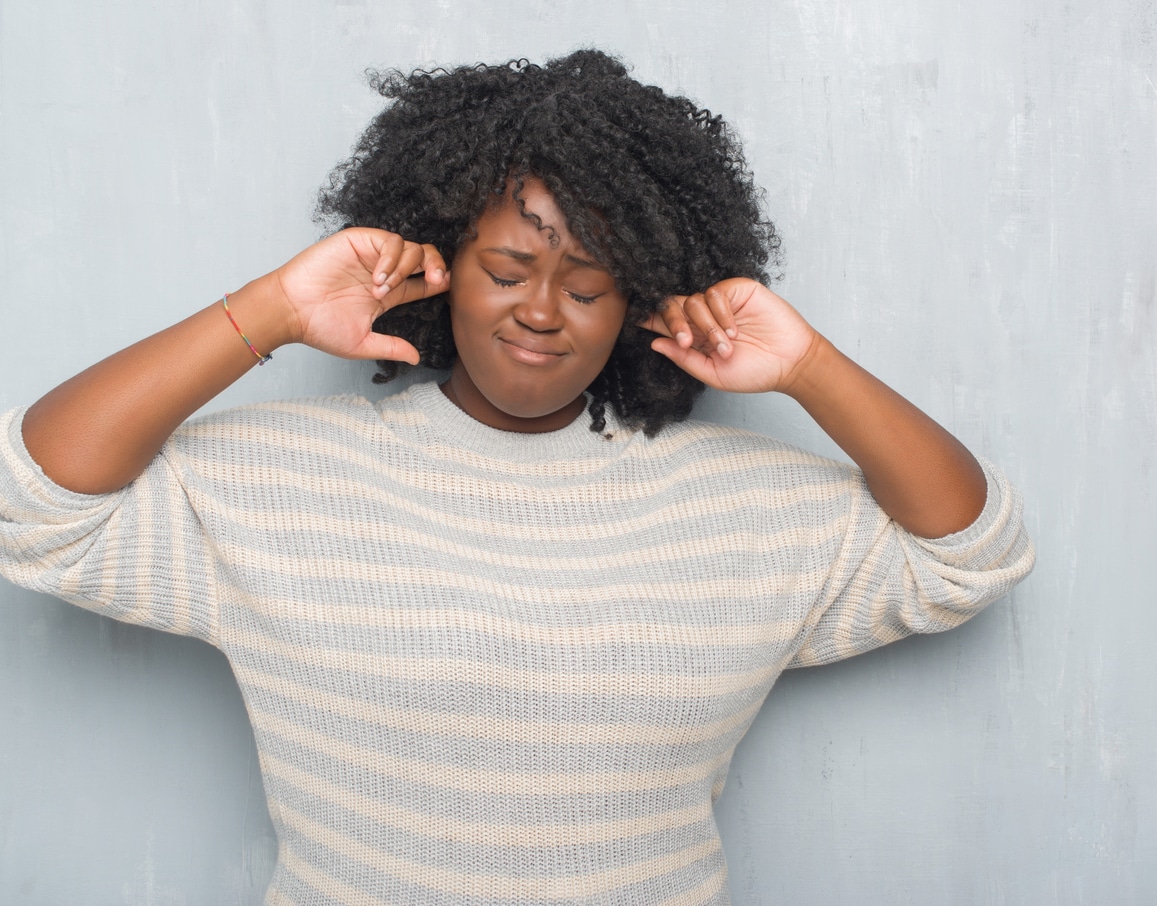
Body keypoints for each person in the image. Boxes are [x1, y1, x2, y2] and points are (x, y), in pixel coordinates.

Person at [0, 50, 1033, 905]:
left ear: (638, 303)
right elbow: (38, 502)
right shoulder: (283, 486)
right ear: (437, 272)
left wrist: (807, 368)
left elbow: (965, 554)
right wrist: (267, 312)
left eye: (586, 286)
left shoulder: (738, 507)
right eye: (504, 273)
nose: (540, 311)